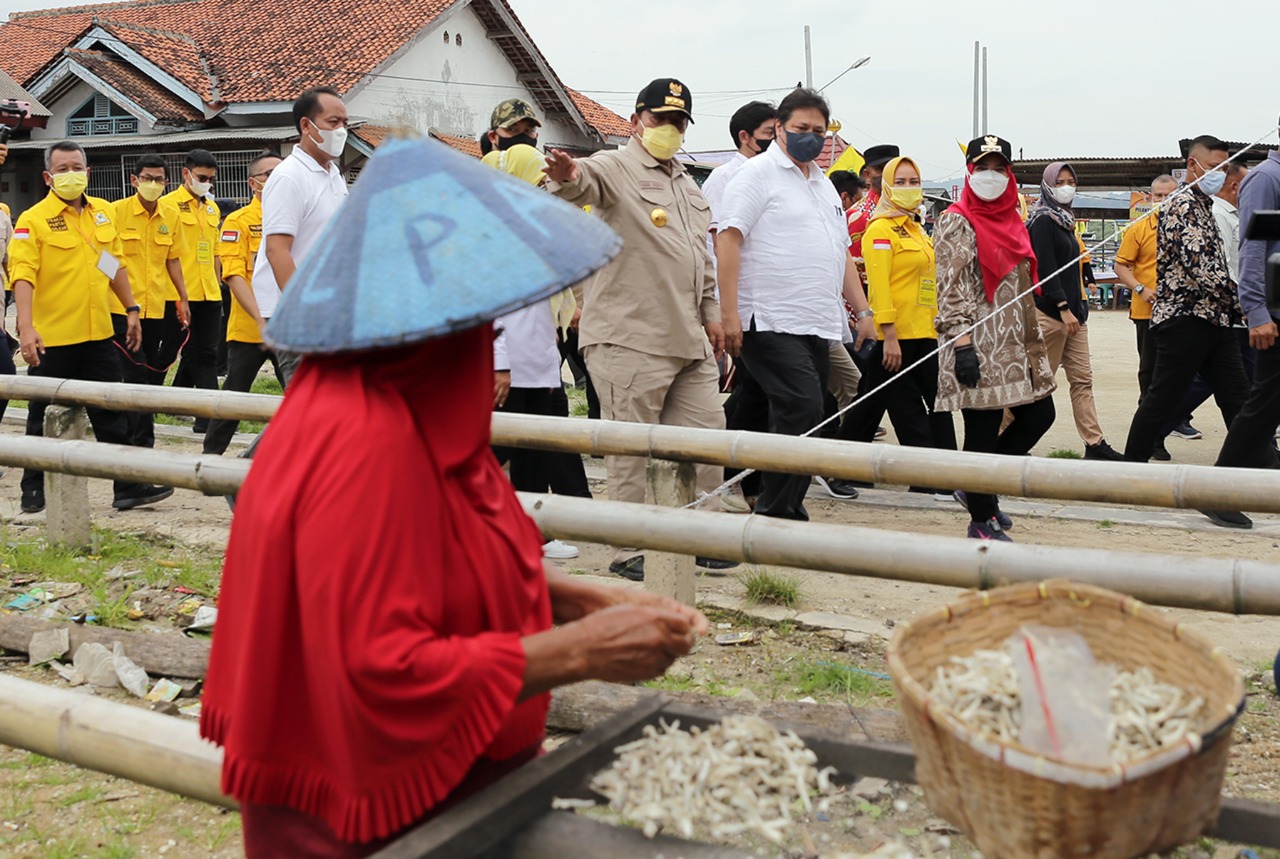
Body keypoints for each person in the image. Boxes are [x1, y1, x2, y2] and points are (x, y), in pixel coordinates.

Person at [200, 134, 708, 858]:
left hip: (463, 789)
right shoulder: (361, 443)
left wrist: (572, 599)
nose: (484, 347)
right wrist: (575, 651)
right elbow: (375, 666)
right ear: (421, 329)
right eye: (475, 325)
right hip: (372, 820)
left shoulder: (409, 413)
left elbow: (443, 565)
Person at [543, 78, 737, 581]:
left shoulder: (688, 185)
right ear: (635, 121)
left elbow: (703, 261)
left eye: (678, 121)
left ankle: (703, 533)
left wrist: (713, 314)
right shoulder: (616, 166)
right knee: (632, 447)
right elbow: (578, 181)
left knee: (705, 436)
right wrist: (566, 173)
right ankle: (630, 545)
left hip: (689, 337)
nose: (668, 129)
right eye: (659, 119)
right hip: (629, 336)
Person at [715, 87, 876, 521]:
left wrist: (862, 312)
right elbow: (727, 240)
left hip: (817, 321)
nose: (810, 137)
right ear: (780, 129)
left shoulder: (822, 184)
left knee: (806, 409)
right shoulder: (755, 176)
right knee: (801, 406)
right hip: (766, 316)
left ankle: (774, 499)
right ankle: (777, 508)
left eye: (818, 131)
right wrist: (728, 314)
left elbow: (840, 251)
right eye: (801, 128)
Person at [9, 140, 174, 514]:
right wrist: (26, 326)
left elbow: (112, 264)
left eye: (77, 168)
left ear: (88, 172)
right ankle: (33, 490)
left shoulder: (101, 214)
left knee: (111, 412)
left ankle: (129, 486)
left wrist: (130, 308)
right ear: (48, 177)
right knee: (42, 415)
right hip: (54, 337)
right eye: (62, 169)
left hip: (99, 333)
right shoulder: (32, 220)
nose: (71, 175)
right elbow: (23, 275)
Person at [1121, 135, 1251, 527]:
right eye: (1212, 167)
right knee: (1161, 399)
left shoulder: (1206, 206)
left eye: (1224, 167)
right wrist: (1249, 303)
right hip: (1185, 322)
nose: (1219, 174)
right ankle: (1127, 476)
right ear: (1192, 166)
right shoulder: (1179, 207)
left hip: (1216, 321)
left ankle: (1259, 476)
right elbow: (1204, 272)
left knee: (1241, 403)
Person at [934, 135, 1057, 542]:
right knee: (982, 432)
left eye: (999, 168)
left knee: (1041, 416)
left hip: (1017, 342)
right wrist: (962, 346)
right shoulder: (956, 219)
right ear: (969, 171)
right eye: (982, 167)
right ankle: (981, 520)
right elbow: (951, 289)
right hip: (978, 343)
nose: (991, 175)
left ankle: (977, 486)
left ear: (1010, 173)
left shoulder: (1012, 219)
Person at [480, 126, 592, 561]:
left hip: (537, 359)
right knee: (500, 449)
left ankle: (531, 535)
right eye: (538, 180)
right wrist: (499, 363)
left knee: (534, 449)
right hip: (510, 364)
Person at [841, 156, 957, 462]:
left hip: (925, 331)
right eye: (900, 182)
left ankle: (949, 471)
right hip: (895, 337)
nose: (908, 188)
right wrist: (888, 334)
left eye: (914, 182)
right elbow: (878, 286)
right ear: (888, 187)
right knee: (907, 411)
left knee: (927, 405)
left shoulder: (918, 229)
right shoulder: (879, 229)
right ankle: (932, 475)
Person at [703, 100, 776, 513]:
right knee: (753, 391)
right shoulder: (724, 177)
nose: (774, 140)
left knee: (764, 393)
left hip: (774, 304)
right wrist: (719, 308)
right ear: (745, 137)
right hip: (740, 304)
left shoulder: (781, 176)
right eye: (767, 133)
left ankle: (752, 476)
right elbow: (714, 244)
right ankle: (731, 476)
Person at [252, 86, 351, 388]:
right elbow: (277, 251)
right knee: (310, 406)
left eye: (345, 123)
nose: (341, 130)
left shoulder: (333, 174)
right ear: (306, 126)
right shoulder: (288, 177)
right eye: (333, 122)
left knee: (328, 408)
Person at [1025, 162, 1125, 460]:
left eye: (1071, 181)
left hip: (1075, 316)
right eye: (1060, 181)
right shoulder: (1042, 220)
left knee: (1083, 380)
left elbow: (1077, 263)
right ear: (1047, 185)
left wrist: (1079, 304)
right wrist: (1063, 308)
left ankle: (1094, 444)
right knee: (1039, 382)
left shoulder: (1065, 221)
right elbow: (1045, 269)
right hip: (1053, 315)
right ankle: (1007, 439)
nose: (1066, 187)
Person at [1212, 132, 1280, 519]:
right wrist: (1256, 311)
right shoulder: (1266, 178)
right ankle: (1220, 492)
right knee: (1262, 405)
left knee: (1267, 405)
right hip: (1273, 314)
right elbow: (1252, 248)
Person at [203, 151, 285, 457]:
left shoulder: (293, 219)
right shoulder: (238, 221)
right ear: (253, 183)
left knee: (301, 398)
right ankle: (210, 459)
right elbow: (233, 275)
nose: (277, 180)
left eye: (282, 173)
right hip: (251, 329)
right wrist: (261, 319)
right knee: (235, 397)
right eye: (269, 175)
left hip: (288, 329)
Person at [110, 155, 191, 449]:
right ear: (134, 180)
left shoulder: (171, 215)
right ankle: (140, 443)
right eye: (147, 178)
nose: (153, 184)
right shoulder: (115, 212)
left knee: (147, 372)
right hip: (120, 309)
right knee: (136, 373)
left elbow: (173, 260)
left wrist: (183, 297)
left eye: (158, 179)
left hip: (156, 306)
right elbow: (104, 258)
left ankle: (133, 433)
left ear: (166, 183)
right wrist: (119, 292)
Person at [1114, 174, 1177, 459]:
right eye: (1159, 196)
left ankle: (1175, 423)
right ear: (1150, 198)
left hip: (1181, 311)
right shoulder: (1139, 228)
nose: (1164, 201)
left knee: (1179, 374)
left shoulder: (1188, 226)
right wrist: (1140, 288)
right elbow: (1121, 265)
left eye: (1169, 195)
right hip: (1148, 312)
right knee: (1150, 373)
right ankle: (1152, 440)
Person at [164, 149, 222, 432]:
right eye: (202, 177)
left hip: (209, 293)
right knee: (171, 353)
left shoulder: (212, 208)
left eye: (211, 179)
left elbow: (214, 250)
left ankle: (205, 416)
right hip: (179, 292)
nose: (207, 183)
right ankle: (153, 403)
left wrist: (220, 280)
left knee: (206, 353)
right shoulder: (167, 205)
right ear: (185, 174)